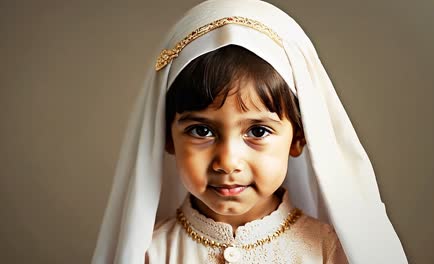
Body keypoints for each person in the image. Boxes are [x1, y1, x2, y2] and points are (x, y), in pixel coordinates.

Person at [92, 0, 409, 263]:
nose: (227, 161)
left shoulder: (328, 251)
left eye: (257, 131)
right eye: (201, 130)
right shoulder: (151, 254)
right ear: (166, 138)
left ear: (299, 137)